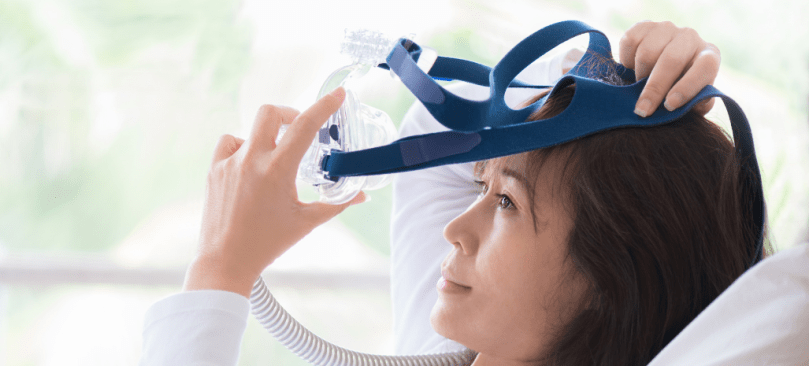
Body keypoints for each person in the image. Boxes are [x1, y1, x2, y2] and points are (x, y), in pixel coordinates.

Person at [140, 21, 786, 365]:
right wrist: (615, 83)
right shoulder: (453, 345)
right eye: (484, 188)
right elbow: (438, 131)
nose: (456, 227)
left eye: (505, 204)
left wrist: (220, 269)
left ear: (611, 278)